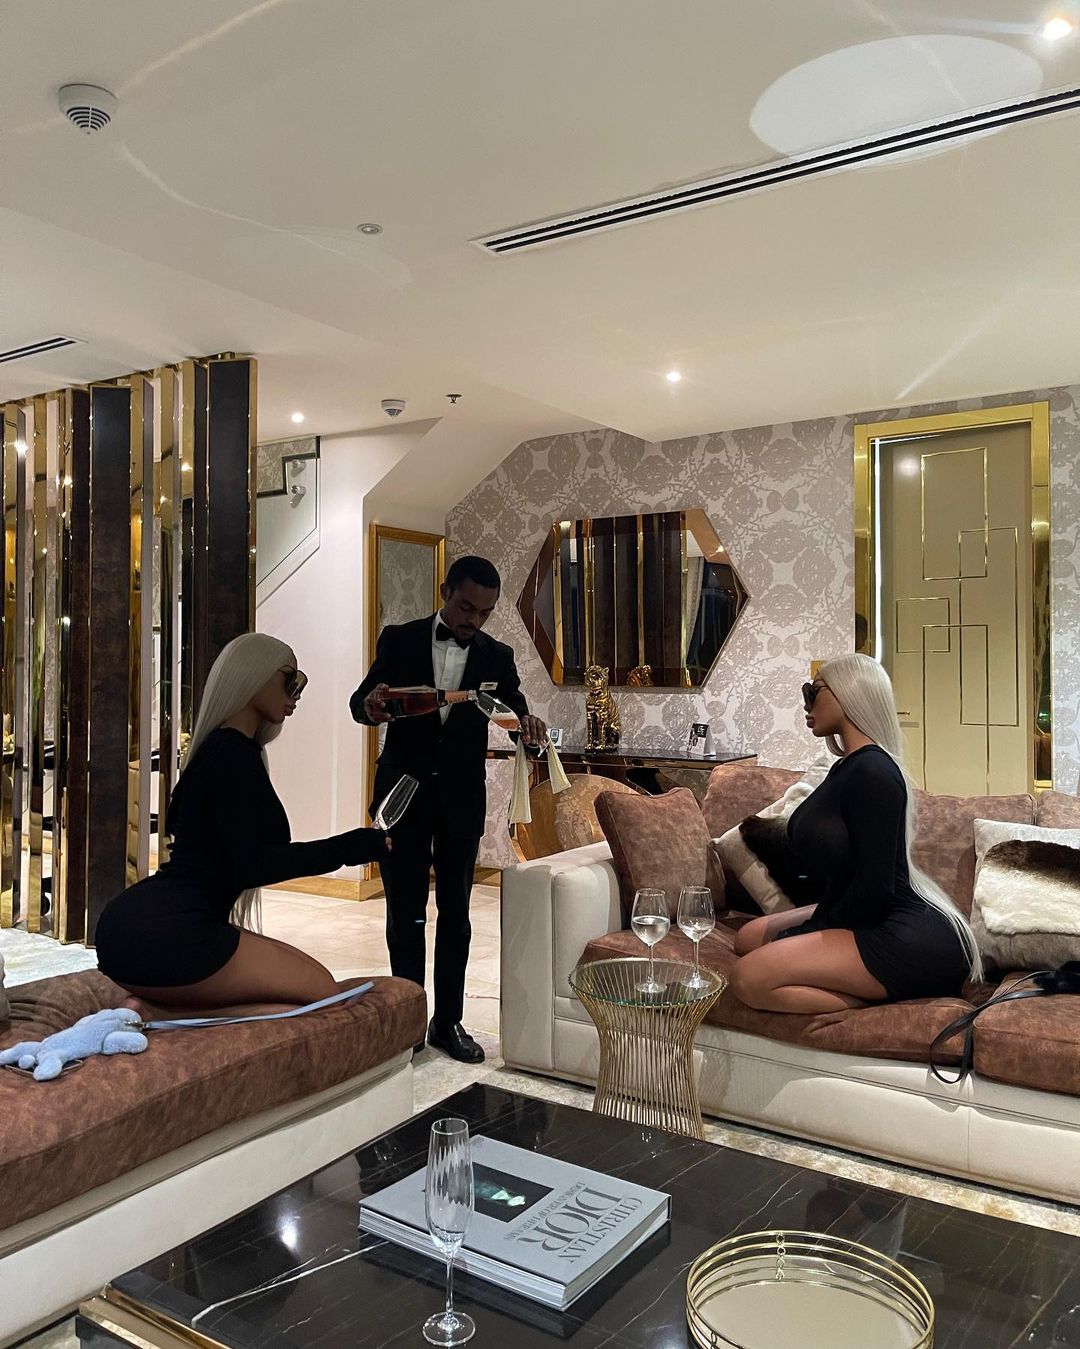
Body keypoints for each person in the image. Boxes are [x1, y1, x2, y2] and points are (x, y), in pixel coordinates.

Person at [96, 633, 390, 1014]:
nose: (297, 693)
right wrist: (349, 848)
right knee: (323, 994)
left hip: (145, 925)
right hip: (168, 929)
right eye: (290, 679)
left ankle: (160, 1010)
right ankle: (165, 1013)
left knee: (311, 991)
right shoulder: (230, 755)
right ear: (253, 675)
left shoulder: (222, 751)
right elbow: (255, 864)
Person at [351, 555, 546, 1063]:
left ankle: (448, 1021)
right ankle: (408, 1021)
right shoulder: (399, 639)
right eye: (465, 607)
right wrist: (372, 705)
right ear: (445, 592)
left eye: (485, 613)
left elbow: (514, 711)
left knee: (457, 914)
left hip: (461, 798)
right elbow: (361, 703)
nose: (473, 620)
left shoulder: (497, 656)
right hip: (403, 792)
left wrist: (529, 727)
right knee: (405, 911)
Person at [730, 652, 981, 1014]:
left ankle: (869, 1004)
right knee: (747, 938)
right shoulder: (847, 767)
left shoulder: (874, 772)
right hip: (861, 908)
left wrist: (807, 932)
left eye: (814, 691)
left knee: (747, 978)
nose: (806, 704)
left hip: (899, 930)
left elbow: (876, 888)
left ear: (848, 693)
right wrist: (813, 925)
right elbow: (846, 872)